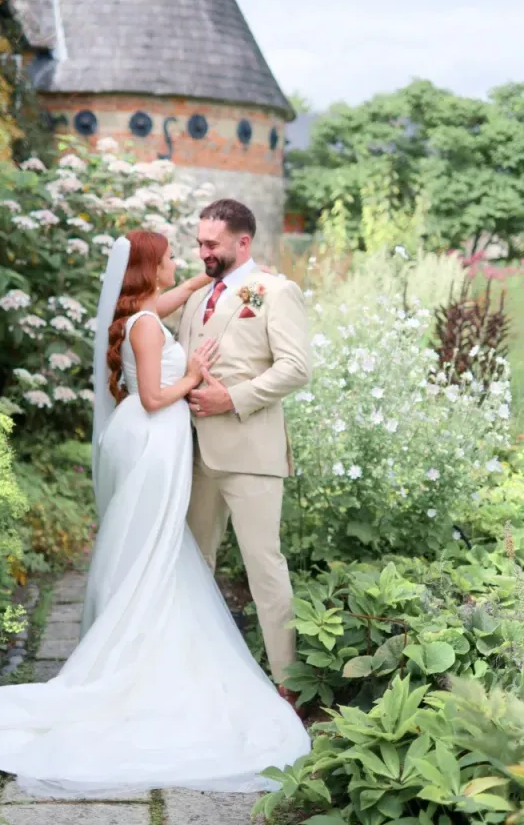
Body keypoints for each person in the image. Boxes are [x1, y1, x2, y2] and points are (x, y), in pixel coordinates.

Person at [0, 226, 310, 800]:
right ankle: (142, 647)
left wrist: (227, 273)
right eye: (175, 255)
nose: (185, 259)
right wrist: (196, 376)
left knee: (158, 548)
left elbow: (183, 296)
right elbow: (153, 397)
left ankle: (152, 633)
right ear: (150, 268)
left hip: (155, 442)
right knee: (159, 547)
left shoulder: (147, 310)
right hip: (154, 440)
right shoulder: (147, 325)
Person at [178, 199, 310, 706]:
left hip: (251, 452)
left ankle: (288, 685)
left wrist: (231, 398)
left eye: (212, 244)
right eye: (199, 243)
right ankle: (193, 672)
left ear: (243, 242)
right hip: (193, 455)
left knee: (264, 566)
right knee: (193, 565)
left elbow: (297, 367)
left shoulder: (277, 291)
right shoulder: (196, 298)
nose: (203, 251)